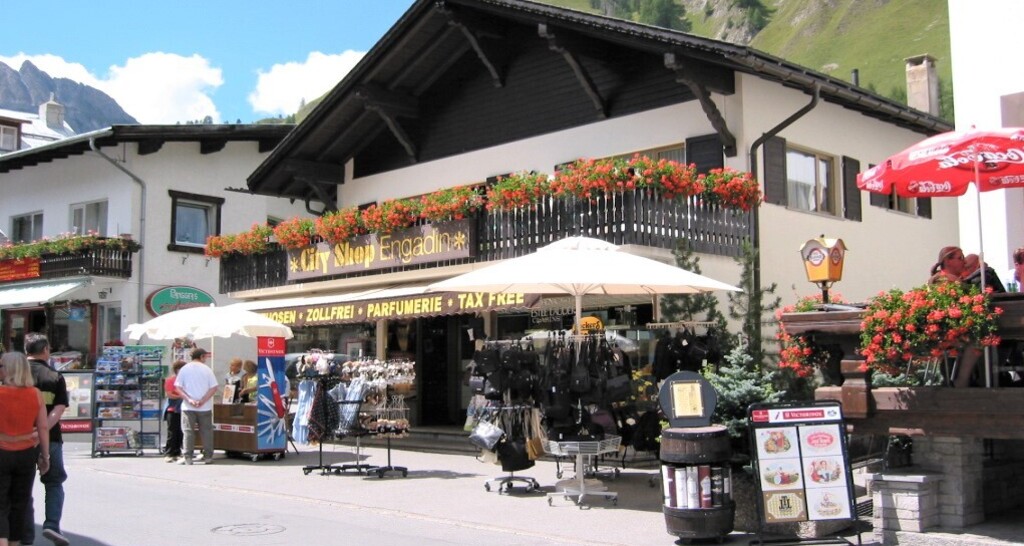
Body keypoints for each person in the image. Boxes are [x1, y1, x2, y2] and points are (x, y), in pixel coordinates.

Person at [22, 334, 69, 546]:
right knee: (54, 482)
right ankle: (51, 525)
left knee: (21, 485)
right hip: (51, 437)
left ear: (26, 351)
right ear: (46, 350)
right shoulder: (54, 376)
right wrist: (41, 431)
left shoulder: (15, 376)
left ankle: (25, 532)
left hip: (18, 437)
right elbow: (58, 409)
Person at [0, 352, 50, 546]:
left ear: (9, 369)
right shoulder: (35, 394)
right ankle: (14, 543)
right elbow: (43, 427)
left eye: (2, 366)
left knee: (1, 503)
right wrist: (45, 456)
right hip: (27, 453)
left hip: (2, 452)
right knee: (20, 503)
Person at [174, 348, 219, 465]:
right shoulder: (207, 370)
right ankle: (208, 456)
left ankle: (188, 457)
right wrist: (203, 400)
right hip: (205, 407)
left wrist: (189, 399)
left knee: (188, 432)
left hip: (188, 406)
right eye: (205, 357)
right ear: (202, 356)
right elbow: (214, 387)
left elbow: (178, 387)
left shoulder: (184, 369)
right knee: (206, 432)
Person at [162, 361, 186, 463]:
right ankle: (169, 452)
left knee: (181, 432)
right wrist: (182, 396)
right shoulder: (170, 380)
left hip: (183, 409)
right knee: (172, 431)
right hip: (172, 409)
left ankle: (178, 451)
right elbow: (170, 394)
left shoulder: (186, 381)